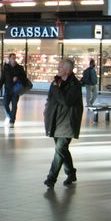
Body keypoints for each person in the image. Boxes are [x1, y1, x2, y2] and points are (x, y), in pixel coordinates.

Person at [43, 58, 84, 188]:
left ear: (67, 70)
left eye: (60, 67)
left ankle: (51, 178)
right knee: (62, 150)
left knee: (60, 149)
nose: (58, 69)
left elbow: (66, 101)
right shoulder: (56, 82)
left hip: (68, 123)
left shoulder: (75, 85)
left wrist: (56, 88)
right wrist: (46, 111)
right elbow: (50, 99)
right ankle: (71, 173)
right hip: (55, 121)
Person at [0, 53, 28, 127]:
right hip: (7, 89)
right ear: (9, 59)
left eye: (14, 58)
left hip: (16, 90)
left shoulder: (20, 68)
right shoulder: (6, 68)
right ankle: (10, 116)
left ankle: (12, 121)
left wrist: (17, 77)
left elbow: (24, 78)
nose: (14, 59)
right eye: (12, 58)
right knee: (5, 104)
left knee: (14, 105)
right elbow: (2, 79)